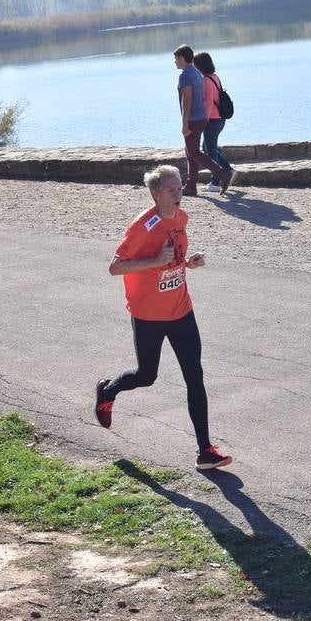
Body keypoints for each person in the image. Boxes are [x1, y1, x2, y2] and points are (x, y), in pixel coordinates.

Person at [94, 164, 233, 471]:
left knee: (194, 376)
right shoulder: (143, 226)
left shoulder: (181, 217)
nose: (179, 194)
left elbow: (175, 258)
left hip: (181, 309)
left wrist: (189, 262)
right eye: (172, 190)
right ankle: (108, 390)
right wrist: (154, 261)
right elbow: (115, 267)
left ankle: (205, 451)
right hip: (148, 314)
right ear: (156, 194)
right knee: (147, 375)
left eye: (180, 188)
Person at [173, 44, 231, 196]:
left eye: (175, 58)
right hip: (202, 118)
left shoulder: (184, 75)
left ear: (181, 58)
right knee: (190, 153)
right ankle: (191, 185)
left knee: (194, 153)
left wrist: (184, 122)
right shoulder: (197, 74)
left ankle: (222, 173)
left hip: (192, 119)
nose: (174, 62)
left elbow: (187, 99)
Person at [194, 51, 234, 188]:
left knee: (210, 151)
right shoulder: (215, 77)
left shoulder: (206, 80)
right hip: (220, 119)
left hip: (212, 120)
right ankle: (229, 170)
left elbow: (209, 103)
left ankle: (216, 181)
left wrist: (202, 121)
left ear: (199, 66)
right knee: (208, 148)